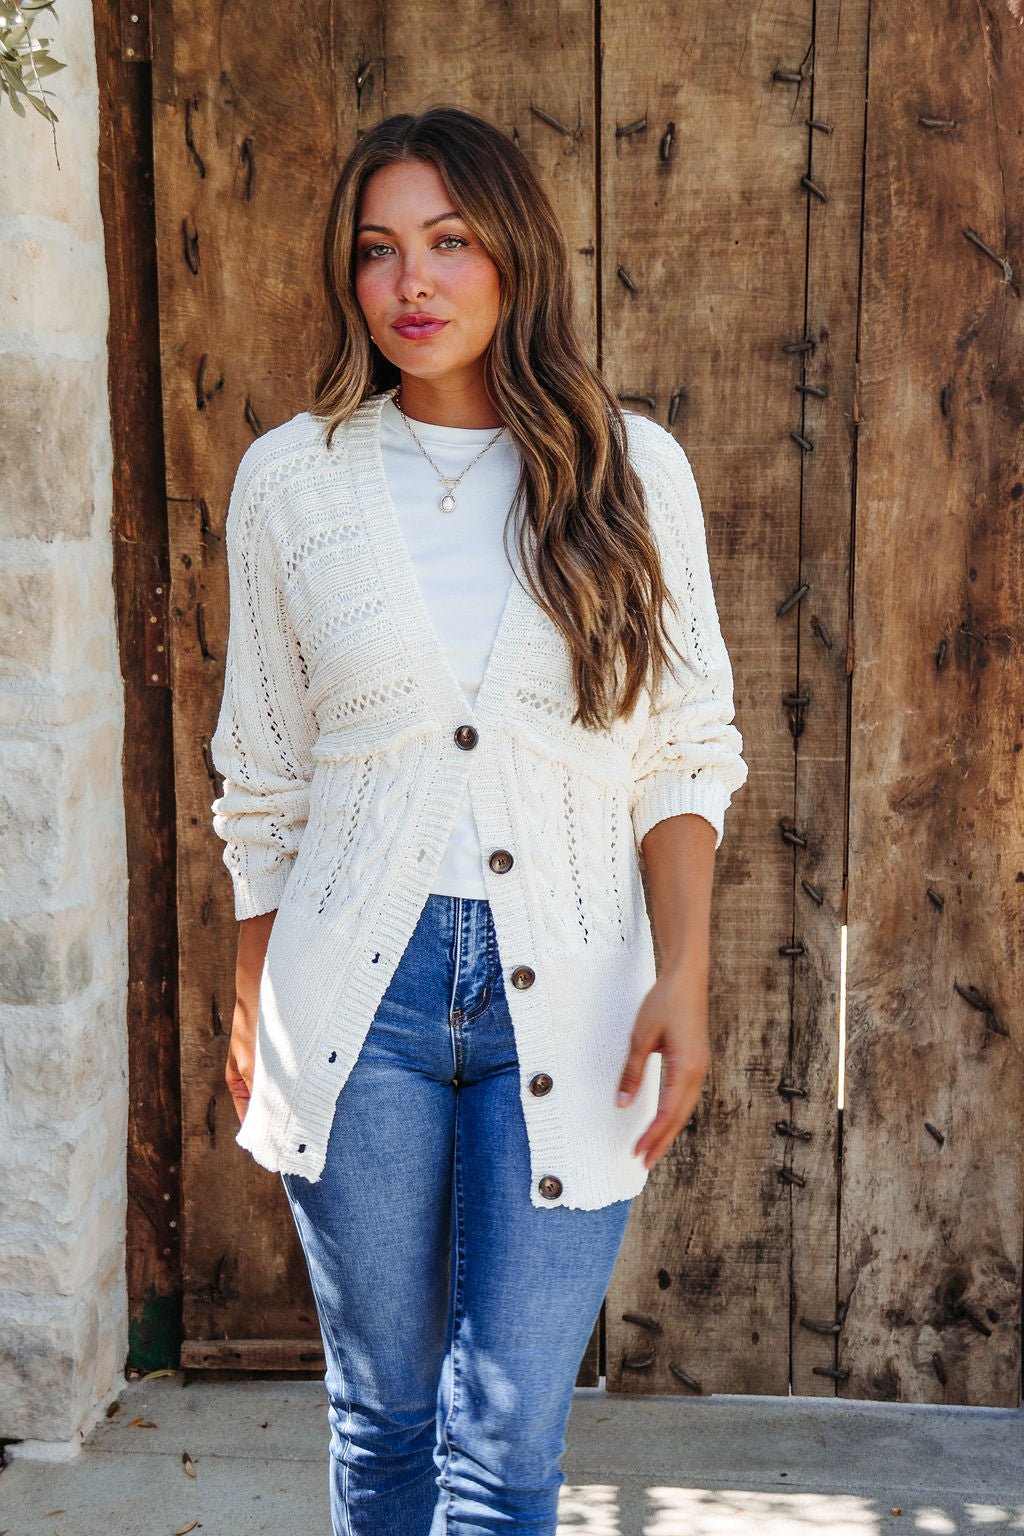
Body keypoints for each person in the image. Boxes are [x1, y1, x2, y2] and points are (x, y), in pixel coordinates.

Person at [211, 103, 748, 1536]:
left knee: (505, 1445)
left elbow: (684, 754)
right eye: (380, 250)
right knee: (382, 1421)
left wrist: (684, 974)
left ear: (518, 256)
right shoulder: (290, 482)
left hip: (569, 998)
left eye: (450, 242)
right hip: (355, 1004)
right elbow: (262, 780)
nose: (412, 283)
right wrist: (252, 998)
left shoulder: (632, 473)